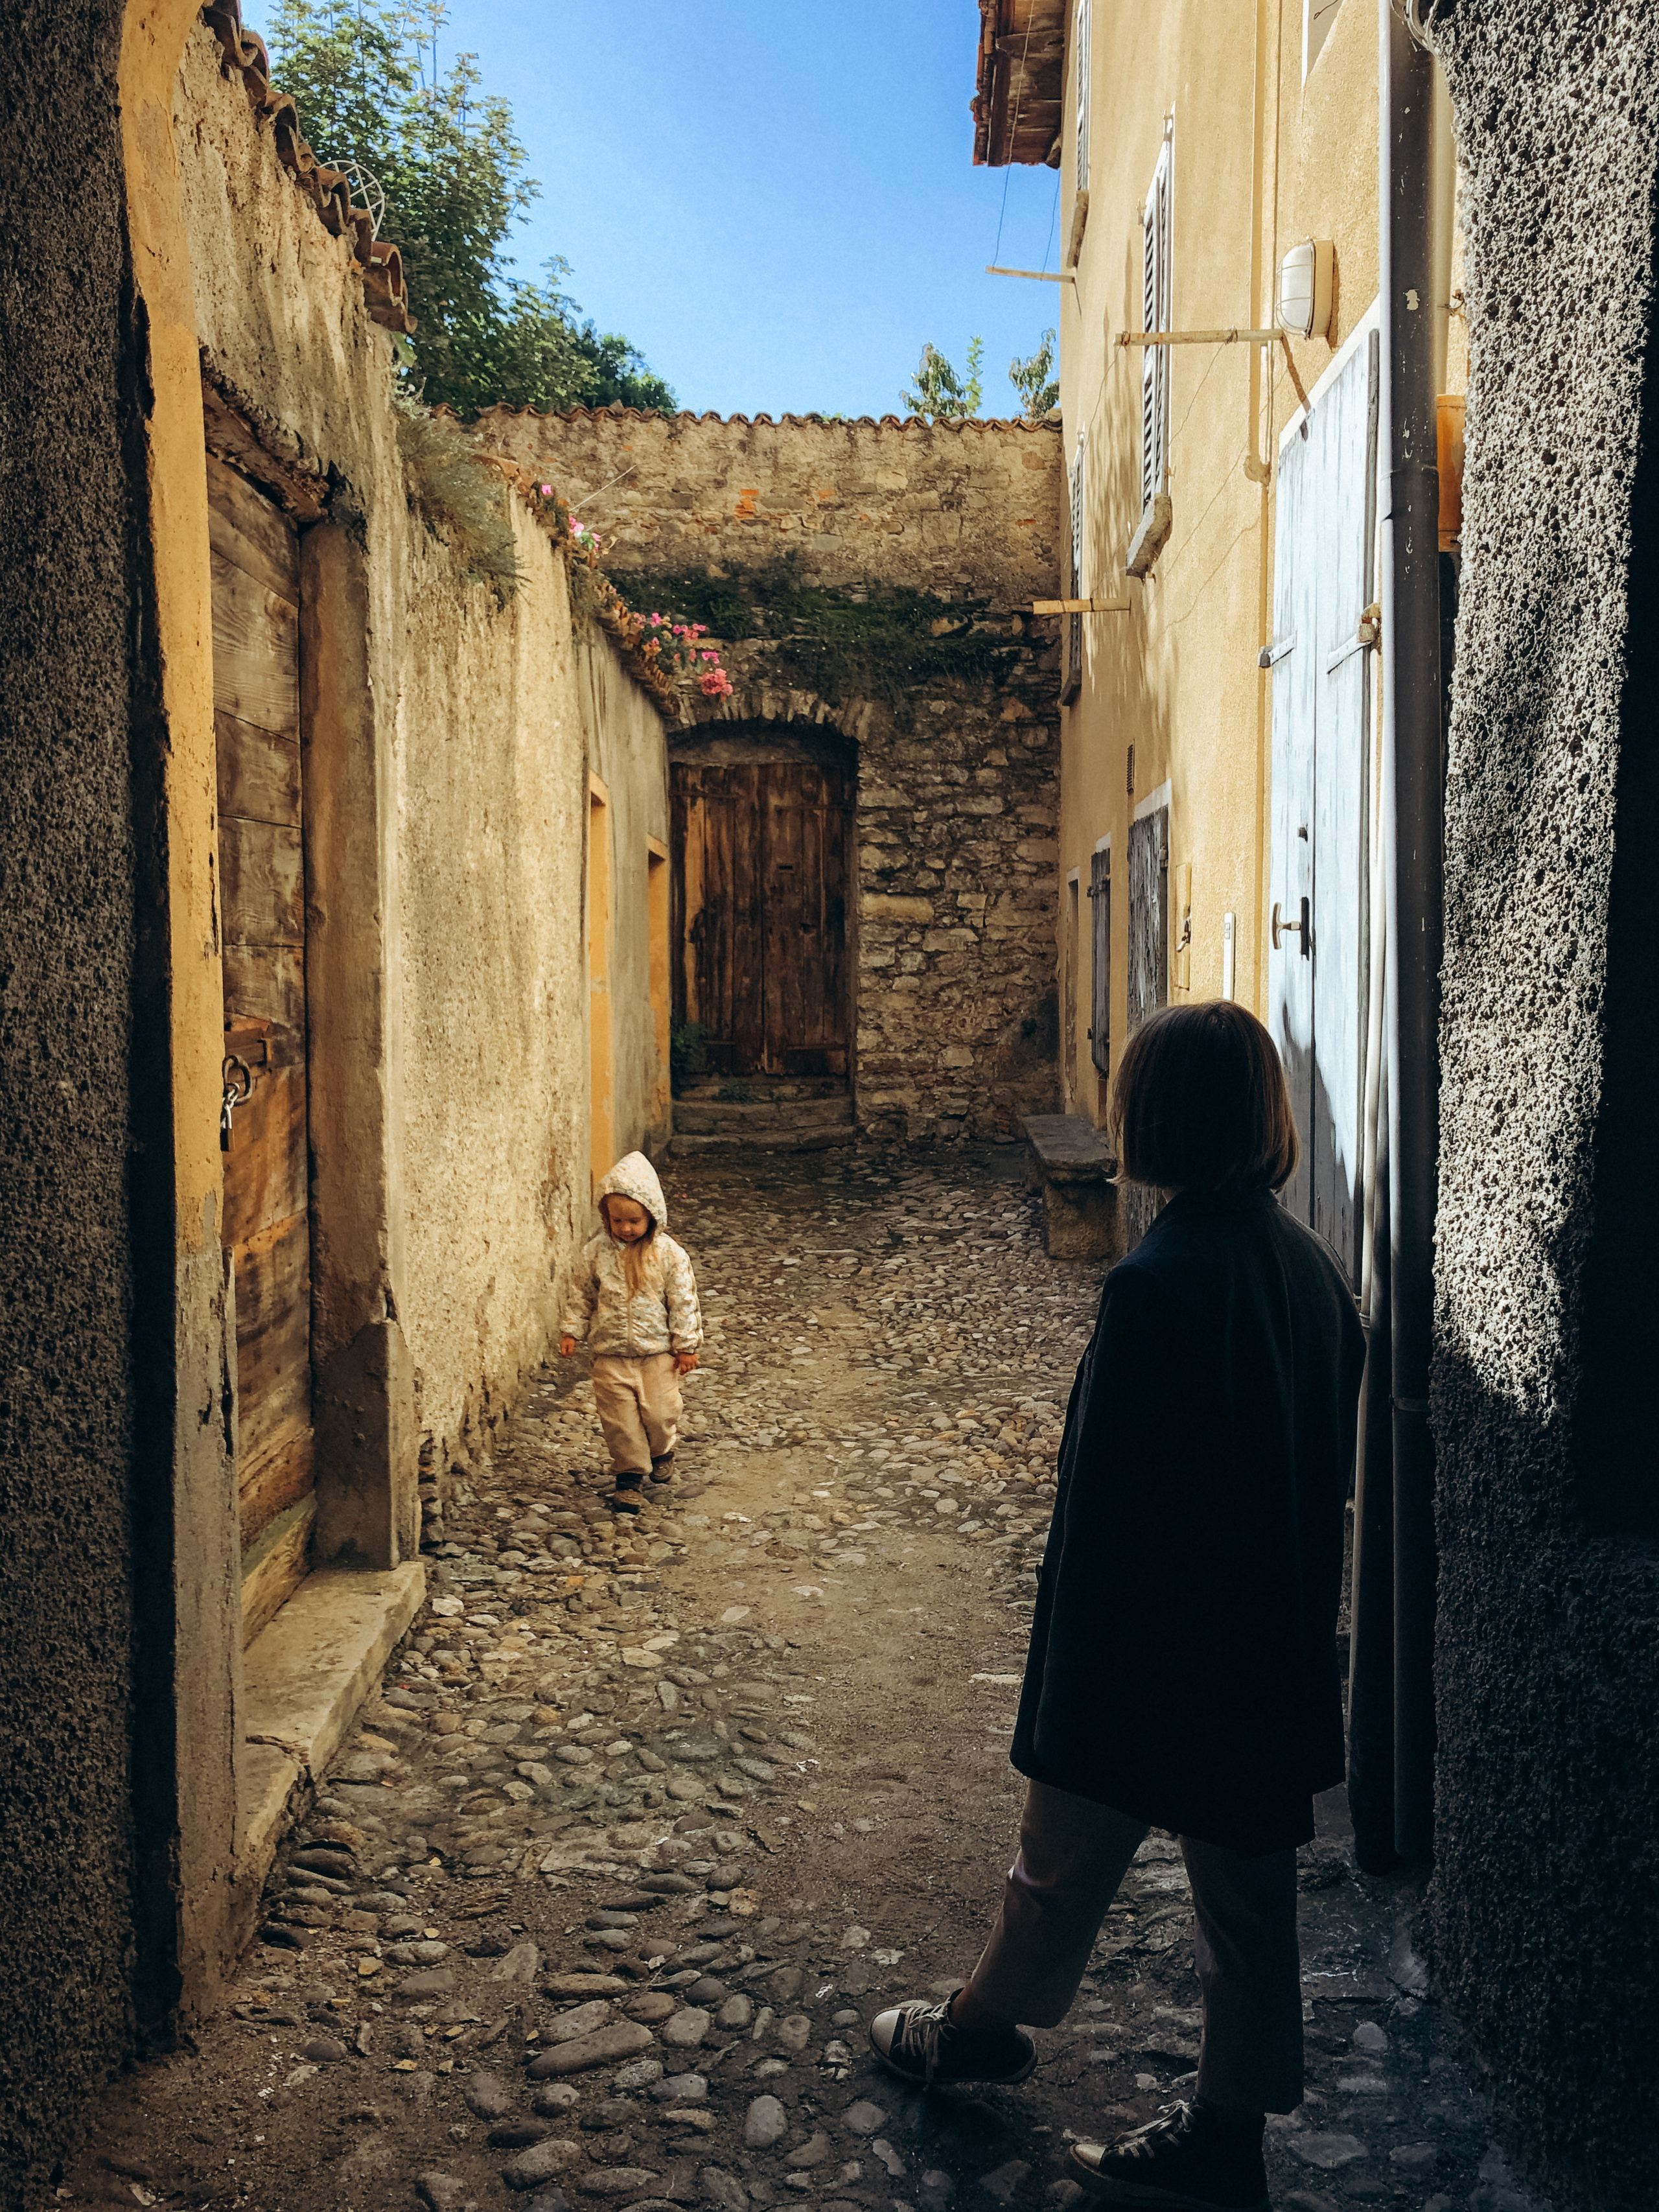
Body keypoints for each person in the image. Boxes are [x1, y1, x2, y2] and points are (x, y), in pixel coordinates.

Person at [869, 1003, 1366, 2212]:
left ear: (1161, 1116)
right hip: (1264, 1647)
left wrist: (1070, 1688)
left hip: (1150, 1651)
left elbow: (1107, 1512)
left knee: (1056, 1860)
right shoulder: (1312, 1271)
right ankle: (1228, 2132)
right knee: (1246, 1904)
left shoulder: (1155, 1284)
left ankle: (983, 2027)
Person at [559, 1152, 702, 1515]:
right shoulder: (596, 1253)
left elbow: (682, 1301)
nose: (625, 1228)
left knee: (660, 1412)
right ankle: (629, 1476)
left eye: (634, 1220)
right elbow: (582, 1293)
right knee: (619, 1420)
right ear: (605, 1218)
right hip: (611, 1354)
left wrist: (685, 1345)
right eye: (616, 1220)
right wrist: (572, 1330)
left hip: (656, 1353)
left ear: (652, 1215)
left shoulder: (668, 1255)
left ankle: (662, 1448)